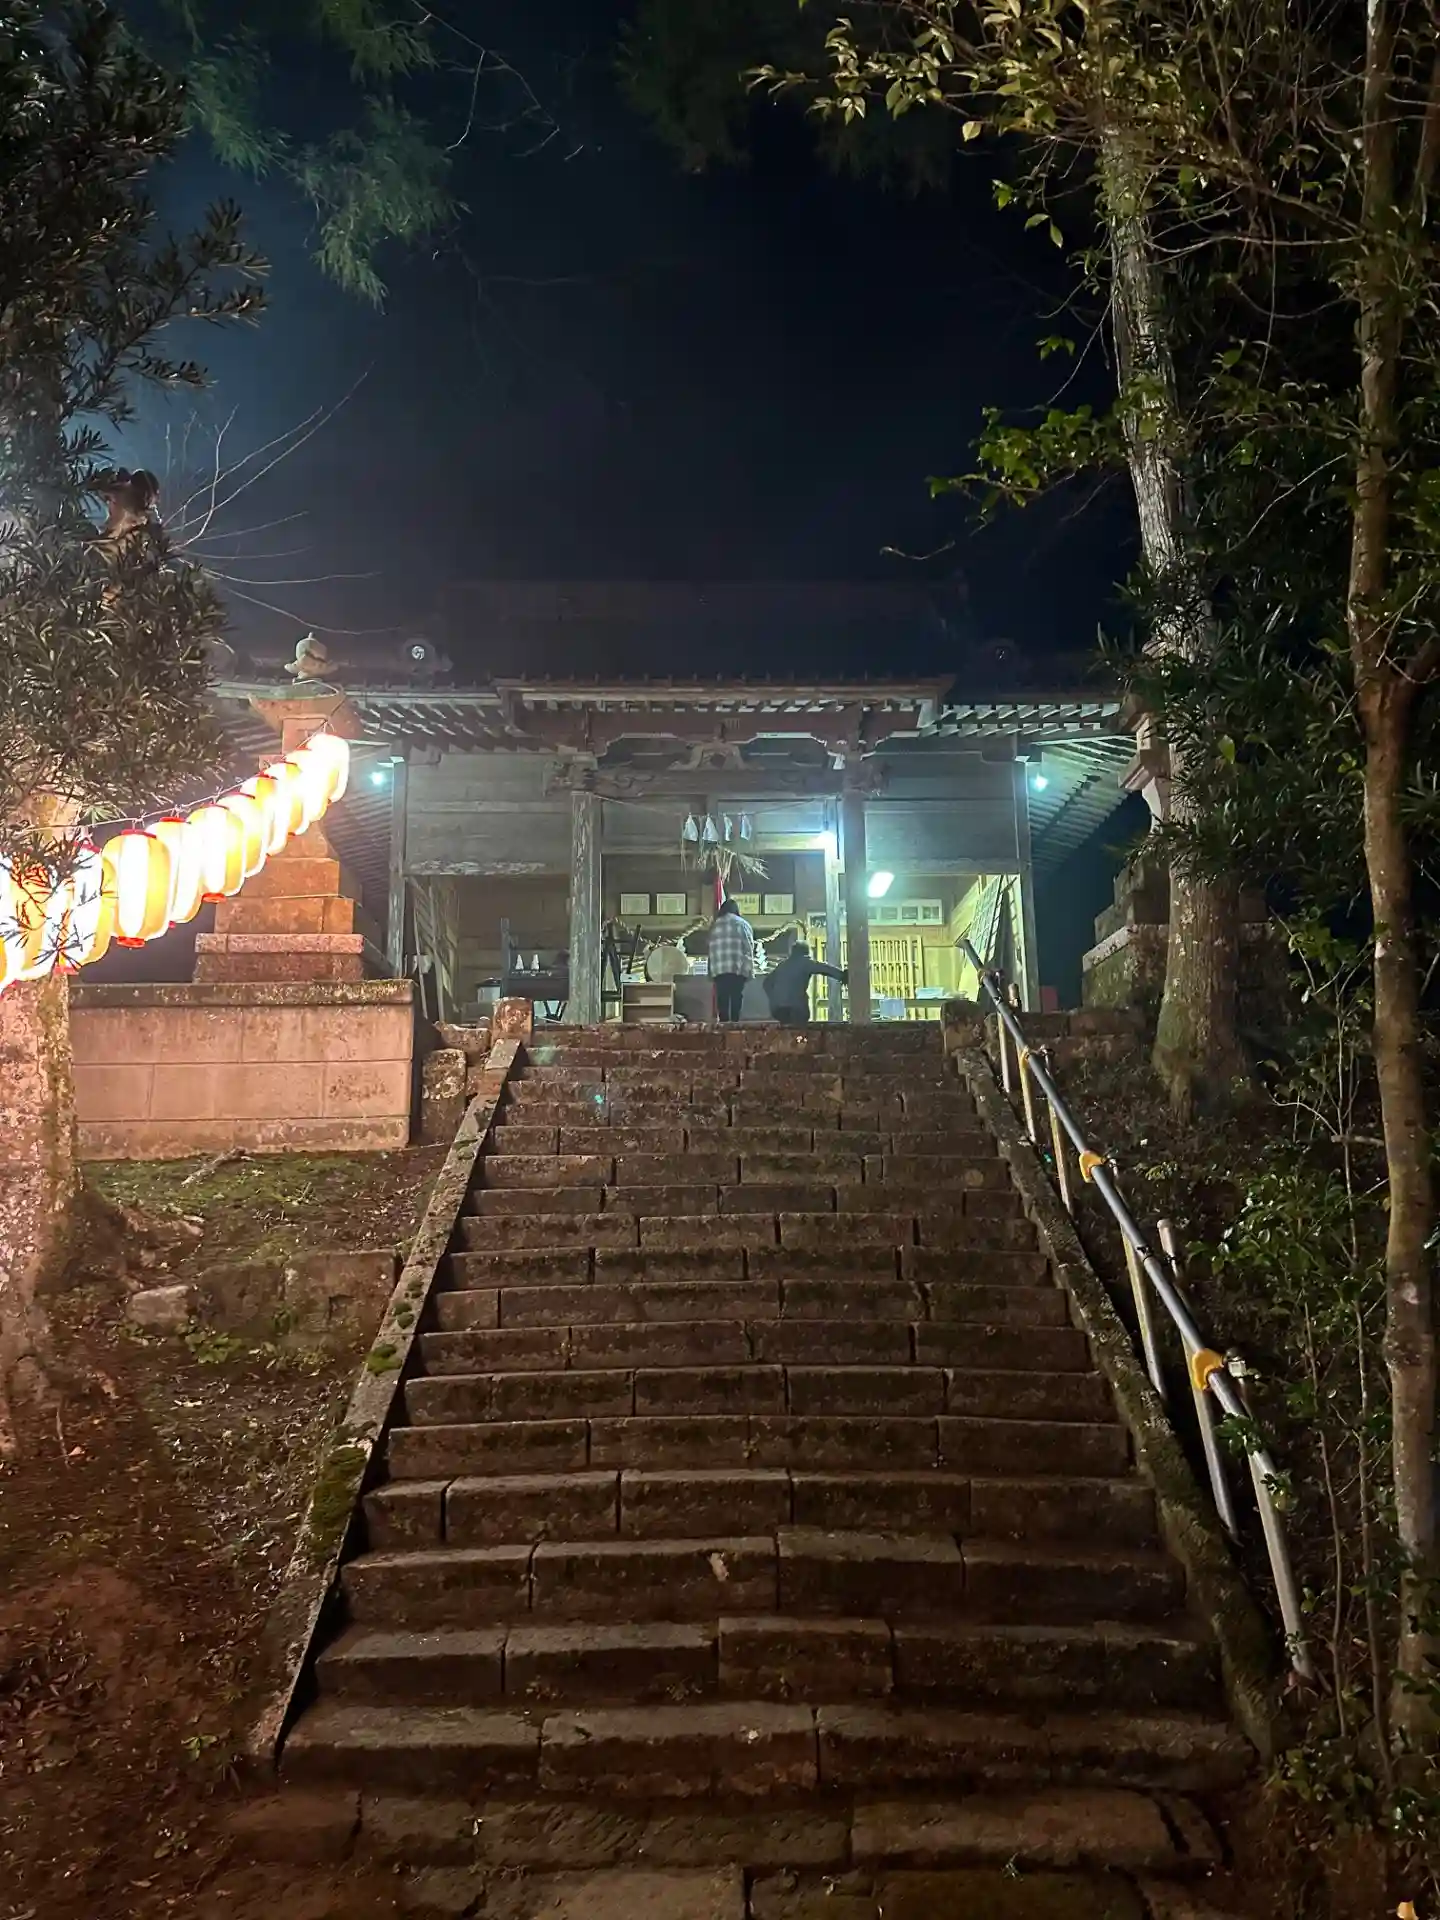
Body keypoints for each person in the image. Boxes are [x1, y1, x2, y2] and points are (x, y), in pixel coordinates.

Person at [763, 940, 847, 1026]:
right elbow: (824, 968)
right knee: (800, 1025)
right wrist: (842, 975)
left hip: (777, 1008)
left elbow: (766, 983)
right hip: (796, 1007)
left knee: (787, 1026)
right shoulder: (805, 961)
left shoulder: (782, 965)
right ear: (806, 952)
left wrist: (774, 997)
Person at [707, 896, 755, 1023]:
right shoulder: (743, 924)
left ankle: (723, 1024)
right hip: (738, 967)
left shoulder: (714, 926)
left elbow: (711, 950)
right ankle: (735, 1022)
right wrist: (750, 970)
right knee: (736, 995)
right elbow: (748, 948)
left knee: (722, 997)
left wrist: (710, 972)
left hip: (719, 969)